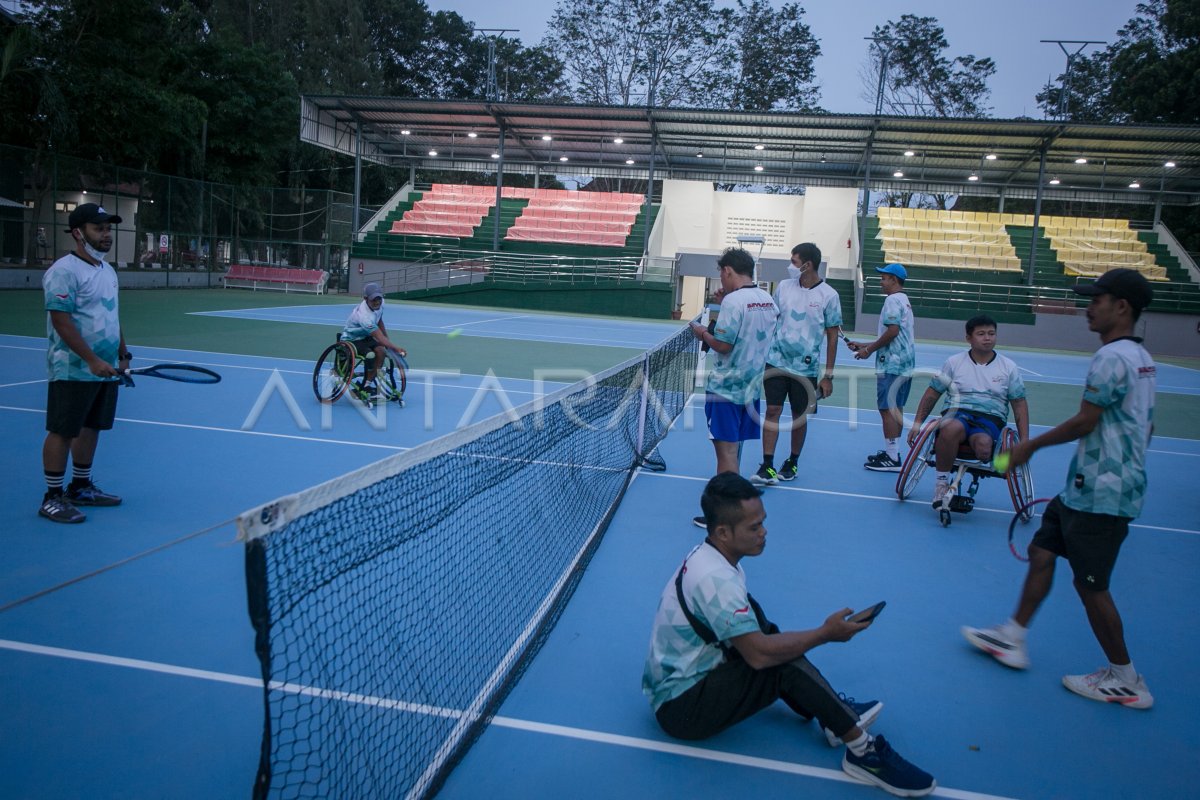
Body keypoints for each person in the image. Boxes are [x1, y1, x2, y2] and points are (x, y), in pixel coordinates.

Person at [643, 472, 936, 797]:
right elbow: (758, 655)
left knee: (764, 628)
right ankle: (862, 752)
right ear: (723, 532)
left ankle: (829, 713)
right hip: (681, 709)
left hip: (691, 679)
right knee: (775, 660)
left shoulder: (713, 556)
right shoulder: (717, 581)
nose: (764, 532)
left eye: (762, 522)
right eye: (754, 527)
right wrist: (826, 633)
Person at [963, 268, 1156, 710]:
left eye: (1097, 299)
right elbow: (1148, 424)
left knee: (1091, 587)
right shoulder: (1143, 359)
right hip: (1086, 486)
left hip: (1104, 492)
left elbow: (1085, 420)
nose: (1089, 307)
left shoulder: (1112, 357)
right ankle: (1013, 636)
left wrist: (1026, 447)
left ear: (1121, 307)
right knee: (1043, 550)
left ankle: (1126, 678)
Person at [39, 203, 129, 524]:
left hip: (104, 368)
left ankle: (80, 487)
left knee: (92, 426)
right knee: (63, 430)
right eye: (98, 228)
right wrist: (91, 360)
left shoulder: (108, 271)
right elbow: (61, 321)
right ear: (78, 233)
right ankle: (52, 497)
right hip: (71, 368)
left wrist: (123, 354)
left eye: (108, 229)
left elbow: (111, 316)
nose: (106, 235)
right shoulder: (64, 271)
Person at [689, 248, 778, 526]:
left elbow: (724, 345)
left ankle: (723, 514)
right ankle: (735, 504)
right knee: (734, 449)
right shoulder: (767, 300)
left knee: (725, 453)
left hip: (725, 390)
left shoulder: (733, 303)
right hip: (751, 388)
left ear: (728, 271)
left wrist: (702, 332)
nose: (721, 280)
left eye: (721, 274)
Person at [907, 315, 1029, 509]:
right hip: (958, 412)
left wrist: (1024, 441)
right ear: (969, 338)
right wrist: (917, 423)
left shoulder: (1008, 367)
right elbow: (933, 393)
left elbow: (1019, 403)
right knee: (950, 428)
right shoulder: (954, 362)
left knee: (983, 448)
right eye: (981, 334)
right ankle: (941, 485)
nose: (987, 338)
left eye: (991, 333)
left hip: (990, 419)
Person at [751, 242, 842, 486]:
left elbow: (833, 336)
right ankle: (767, 465)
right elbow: (771, 319)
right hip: (776, 362)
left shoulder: (830, 296)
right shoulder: (783, 287)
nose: (790, 266)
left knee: (799, 417)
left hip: (807, 369)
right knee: (772, 411)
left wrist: (828, 376)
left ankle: (792, 462)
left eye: (793, 261)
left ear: (807, 265)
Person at [847, 264, 915, 472]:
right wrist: (864, 345)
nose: (881, 281)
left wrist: (869, 350)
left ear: (894, 280)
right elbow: (892, 333)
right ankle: (893, 453)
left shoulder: (892, 300)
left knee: (887, 409)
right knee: (897, 409)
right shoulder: (904, 300)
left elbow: (892, 331)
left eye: (884, 278)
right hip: (905, 363)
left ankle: (892, 458)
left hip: (892, 364)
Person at [340, 282, 406, 399]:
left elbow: (379, 319)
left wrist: (387, 341)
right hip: (352, 339)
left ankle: (366, 384)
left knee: (381, 352)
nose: (377, 302)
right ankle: (347, 364)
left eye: (379, 299)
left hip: (366, 336)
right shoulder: (365, 317)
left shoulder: (380, 304)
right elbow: (379, 337)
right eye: (373, 300)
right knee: (371, 354)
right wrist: (394, 347)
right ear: (365, 299)